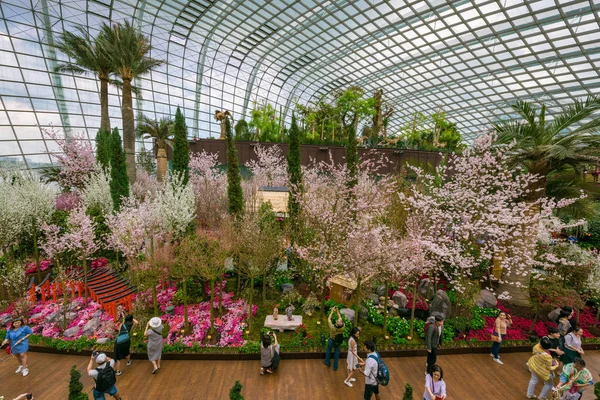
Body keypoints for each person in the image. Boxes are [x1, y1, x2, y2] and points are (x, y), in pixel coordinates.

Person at [323, 306, 345, 371]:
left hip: (331, 340)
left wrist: (332, 311)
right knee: (337, 353)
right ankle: (335, 366)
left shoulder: (332, 327)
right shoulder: (343, 327)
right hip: (338, 341)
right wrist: (337, 311)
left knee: (328, 350)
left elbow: (329, 319)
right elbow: (340, 317)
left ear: (336, 323)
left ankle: (327, 362)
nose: (338, 319)